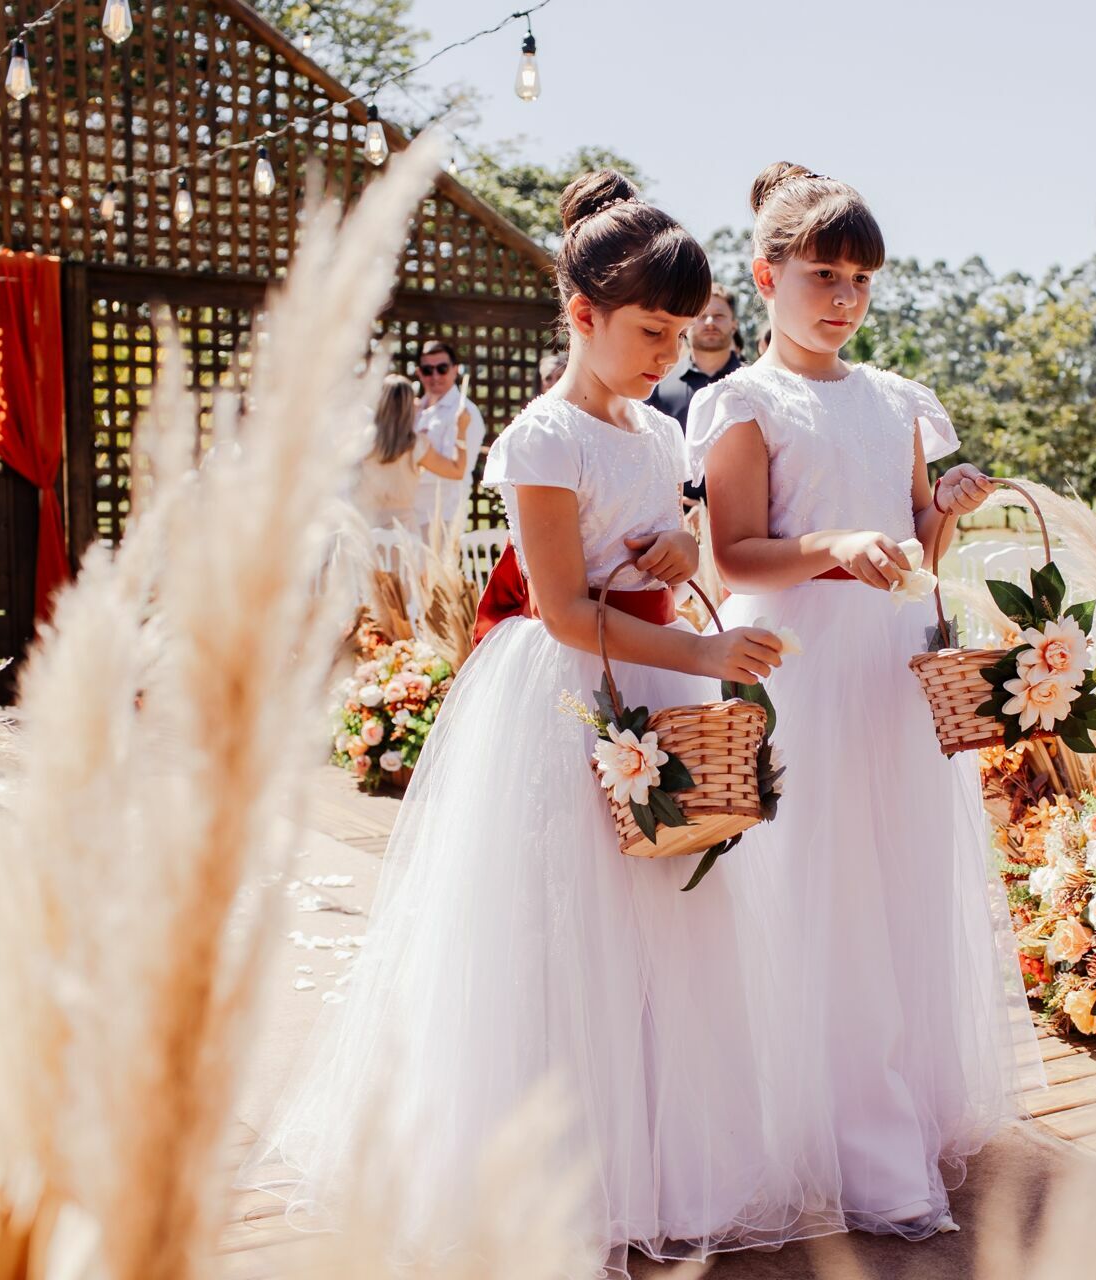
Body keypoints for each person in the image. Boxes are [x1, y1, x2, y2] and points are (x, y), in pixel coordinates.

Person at [258, 170, 802, 1275]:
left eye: (681, 334)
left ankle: (664, 1161)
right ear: (582, 315)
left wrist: (678, 552)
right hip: (565, 696)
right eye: (648, 331)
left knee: (665, 923)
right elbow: (561, 609)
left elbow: (670, 545)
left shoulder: (660, 430)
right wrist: (702, 648)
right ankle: (555, 1171)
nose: (665, 354)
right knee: (558, 934)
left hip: (656, 690)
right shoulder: (543, 438)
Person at [689, 162, 1037, 1239]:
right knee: (815, 891)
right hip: (801, 663)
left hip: (890, 668)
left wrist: (943, 512)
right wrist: (836, 544)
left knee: (896, 887)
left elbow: (918, 550)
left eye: (862, 279)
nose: (843, 296)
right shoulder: (739, 399)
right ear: (768, 274)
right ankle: (833, 1140)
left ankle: (899, 1110)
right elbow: (730, 547)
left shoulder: (901, 401)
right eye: (823, 273)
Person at [646, 285, 744, 503]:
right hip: (675, 522)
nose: (710, 322)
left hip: (750, 523)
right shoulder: (657, 385)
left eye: (719, 316)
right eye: (702, 316)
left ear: (734, 325)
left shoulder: (756, 385)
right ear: (688, 325)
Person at [412, 339, 484, 539]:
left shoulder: (465, 413)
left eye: (442, 368)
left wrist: (410, 465)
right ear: (419, 373)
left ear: (455, 370)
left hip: (442, 516)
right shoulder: (415, 410)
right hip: (410, 515)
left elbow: (459, 470)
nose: (435, 376)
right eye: (427, 370)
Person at [353, 375, 421, 532]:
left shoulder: (363, 440)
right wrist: (461, 434)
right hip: (403, 534)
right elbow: (457, 470)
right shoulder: (418, 444)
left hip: (368, 530)